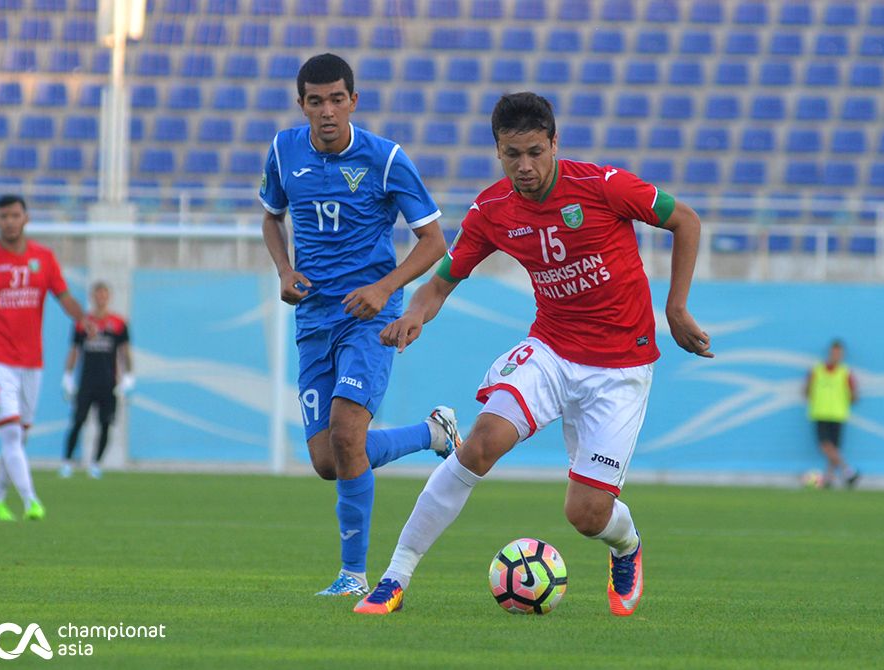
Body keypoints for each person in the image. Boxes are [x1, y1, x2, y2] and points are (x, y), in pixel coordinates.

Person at [355, 92, 713, 617]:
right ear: (497, 151)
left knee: (588, 515)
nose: (524, 166)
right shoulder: (493, 209)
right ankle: (394, 578)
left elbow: (685, 219)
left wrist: (676, 309)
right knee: (480, 445)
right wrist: (414, 314)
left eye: (535, 152)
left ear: (554, 144)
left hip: (620, 368)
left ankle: (627, 545)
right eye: (511, 154)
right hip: (551, 350)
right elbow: (443, 282)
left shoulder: (603, 185)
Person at [259, 53, 462, 597]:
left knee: (349, 435)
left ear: (354, 99)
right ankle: (432, 432)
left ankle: (353, 576)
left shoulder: (387, 159)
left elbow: (435, 243)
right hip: (313, 318)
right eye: (316, 101)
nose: (327, 111)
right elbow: (271, 218)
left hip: (368, 316)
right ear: (301, 104)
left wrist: (384, 288)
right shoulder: (283, 151)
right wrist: (284, 269)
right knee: (329, 460)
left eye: (337, 99)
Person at [0, 195, 94, 522]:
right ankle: (32, 501)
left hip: (31, 362)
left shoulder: (43, 259)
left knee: (19, 435)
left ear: (26, 218)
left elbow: (64, 297)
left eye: (15, 215)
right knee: (12, 434)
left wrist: (82, 318)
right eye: (3, 216)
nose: (9, 221)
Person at [59, 281, 134, 480]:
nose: (101, 298)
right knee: (77, 422)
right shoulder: (83, 323)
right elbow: (74, 350)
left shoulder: (118, 323)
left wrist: (128, 376)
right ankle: (67, 462)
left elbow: (125, 351)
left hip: (108, 383)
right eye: (97, 294)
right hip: (86, 382)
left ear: (108, 297)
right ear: (92, 296)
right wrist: (67, 376)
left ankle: (95, 463)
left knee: (105, 424)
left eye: (104, 294)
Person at [804, 339, 859, 488]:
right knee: (826, 446)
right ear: (829, 353)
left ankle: (828, 479)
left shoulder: (845, 372)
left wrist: (847, 401)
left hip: (838, 414)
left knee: (834, 448)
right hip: (820, 413)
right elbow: (807, 389)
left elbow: (854, 394)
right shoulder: (817, 370)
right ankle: (847, 470)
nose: (836, 356)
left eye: (839, 353)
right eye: (834, 353)